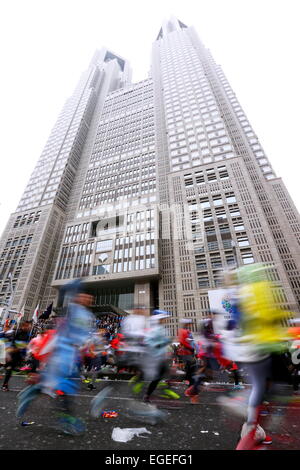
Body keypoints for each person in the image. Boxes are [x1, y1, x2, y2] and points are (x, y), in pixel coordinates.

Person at [17, 281, 95, 435]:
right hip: (63, 354)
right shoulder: (74, 310)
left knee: (62, 386)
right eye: (84, 296)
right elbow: (69, 292)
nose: (88, 299)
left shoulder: (88, 316)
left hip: (72, 356)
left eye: (89, 298)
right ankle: (65, 418)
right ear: (79, 298)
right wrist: (76, 285)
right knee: (61, 386)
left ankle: (36, 393)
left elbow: (85, 337)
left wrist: (85, 350)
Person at [2, 321, 32, 391]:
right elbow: (9, 342)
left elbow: (24, 345)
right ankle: (4, 385)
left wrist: (24, 355)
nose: (28, 327)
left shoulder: (27, 334)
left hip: (17, 355)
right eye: (27, 326)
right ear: (22, 326)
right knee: (8, 368)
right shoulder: (15, 333)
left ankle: (5, 384)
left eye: (29, 326)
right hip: (11, 354)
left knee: (10, 369)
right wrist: (8, 353)